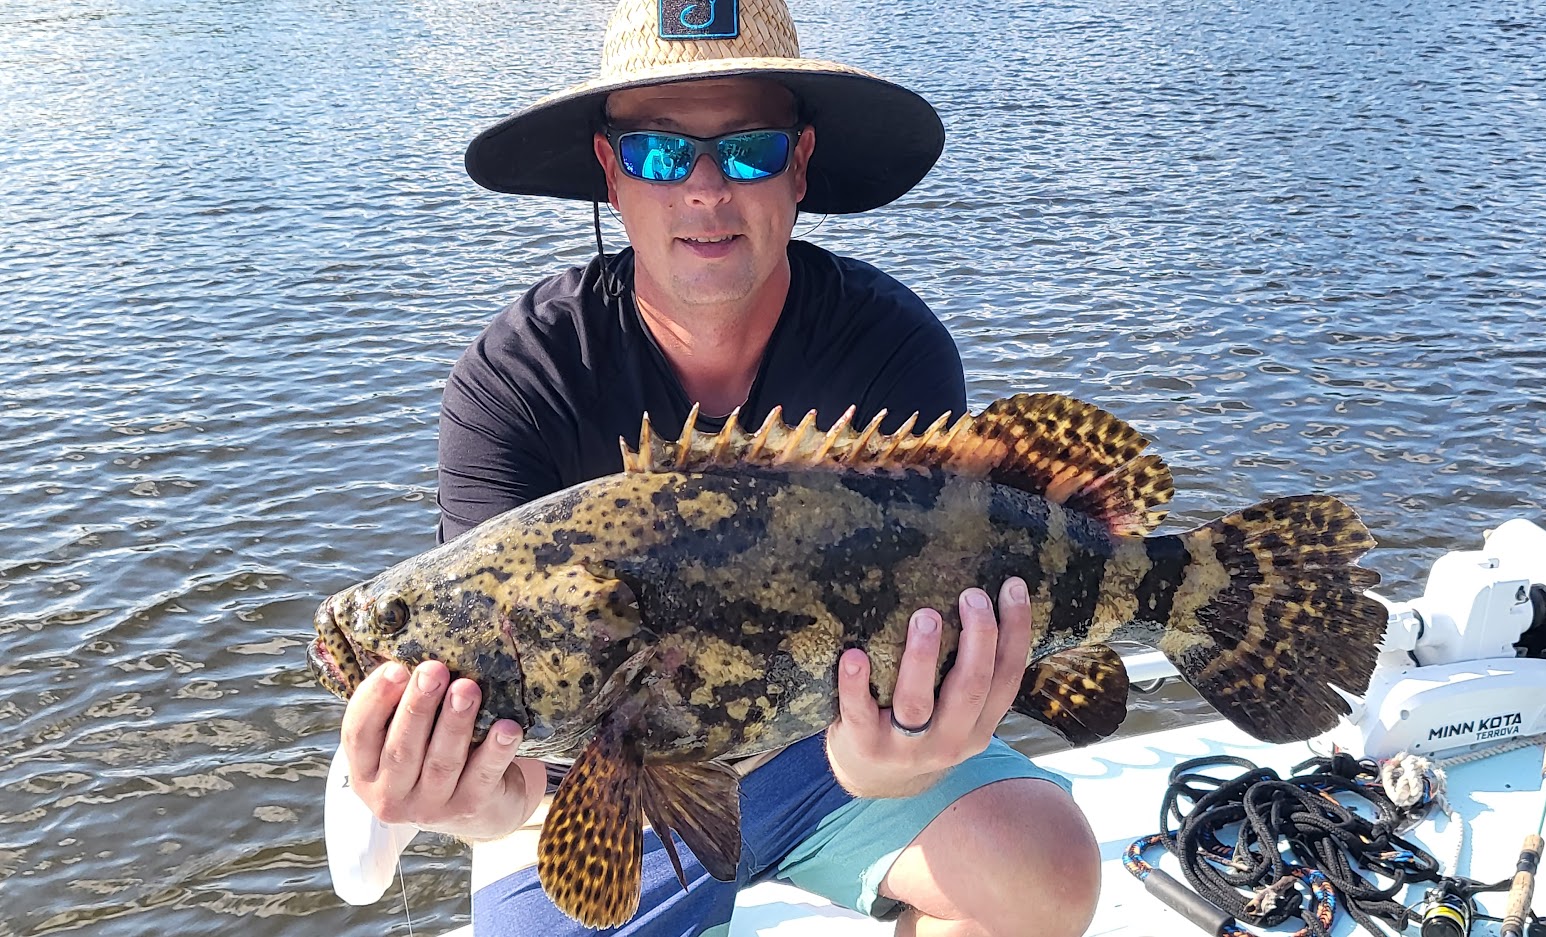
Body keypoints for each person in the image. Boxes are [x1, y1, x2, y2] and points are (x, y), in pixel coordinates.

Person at [338, 1, 1101, 934]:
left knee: (1047, 869)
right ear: (611, 173)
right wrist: (476, 798)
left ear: (802, 167)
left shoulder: (889, 347)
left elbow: (934, 645)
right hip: (595, 788)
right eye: (661, 152)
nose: (705, 190)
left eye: (749, 150)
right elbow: (520, 775)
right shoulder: (515, 381)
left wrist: (885, 760)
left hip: (848, 752)